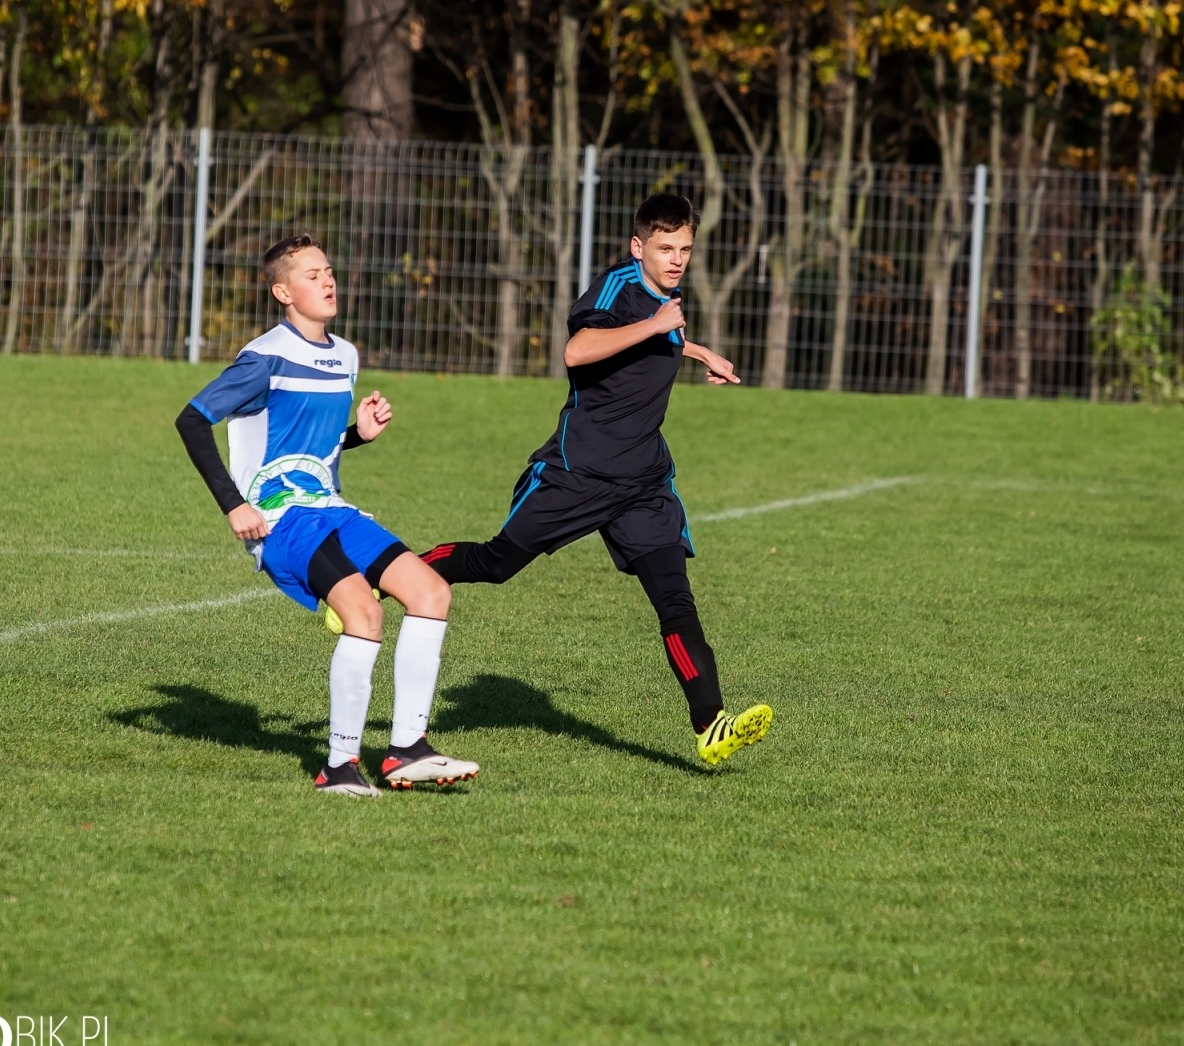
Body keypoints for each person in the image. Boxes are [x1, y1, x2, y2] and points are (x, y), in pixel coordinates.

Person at [387, 194, 771, 766]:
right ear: (637, 246)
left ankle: (711, 724)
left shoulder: (661, 300)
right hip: (578, 472)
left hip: (643, 481)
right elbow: (579, 350)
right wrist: (658, 325)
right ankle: (385, 573)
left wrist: (694, 350)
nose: (676, 260)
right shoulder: (619, 289)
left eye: (685, 249)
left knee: (675, 601)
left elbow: (650, 338)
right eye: (665, 249)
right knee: (495, 564)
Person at [174, 234, 479, 795]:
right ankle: (339, 767)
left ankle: (407, 749)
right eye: (313, 276)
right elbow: (191, 421)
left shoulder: (346, 355)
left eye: (329, 271)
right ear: (283, 291)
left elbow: (315, 448)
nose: (328, 281)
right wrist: (234, 504)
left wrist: (356, 436)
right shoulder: (264, 357)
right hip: (280, 518)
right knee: (364, 613)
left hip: (331, 507)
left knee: (432, 592)